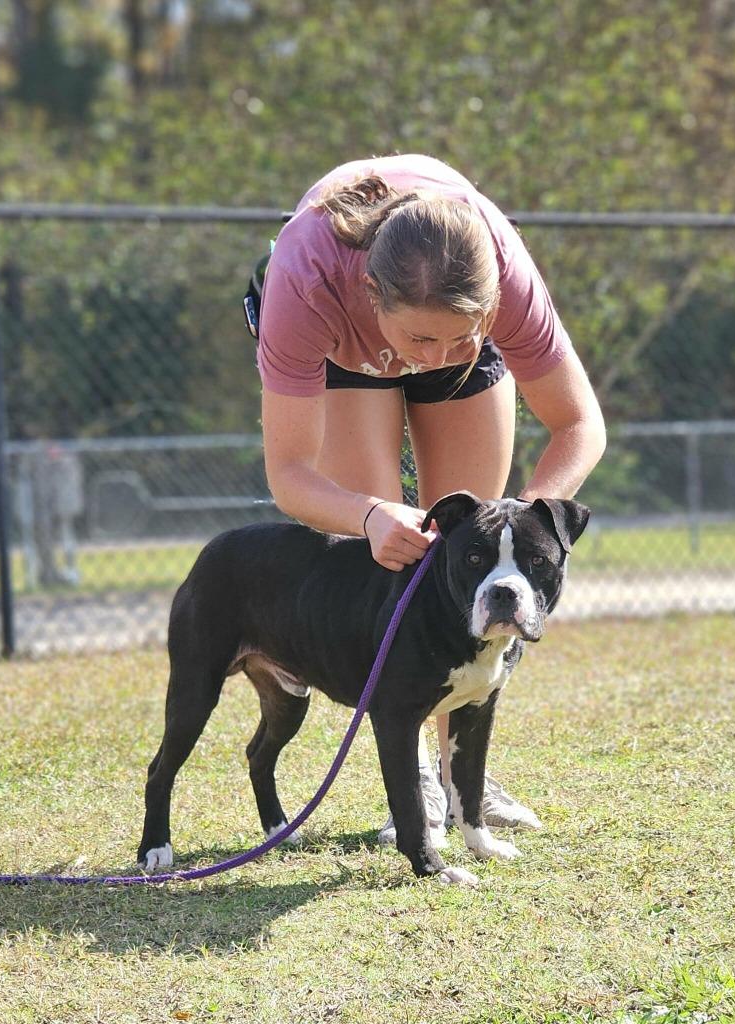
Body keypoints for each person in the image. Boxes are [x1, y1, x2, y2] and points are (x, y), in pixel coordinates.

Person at [255, 153, 606, 845]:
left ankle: (460, 774)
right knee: (390, 560)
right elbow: (289, 475)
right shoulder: (309, 281)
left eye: (461, 336)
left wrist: (529, 520)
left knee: (464, 567)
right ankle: (411, 779)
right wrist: (367, 514)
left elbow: (578, 424)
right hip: (343, 352)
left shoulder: (499, 270)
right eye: (421, 338)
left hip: (435, 309)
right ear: (373, 293)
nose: (438, 355)